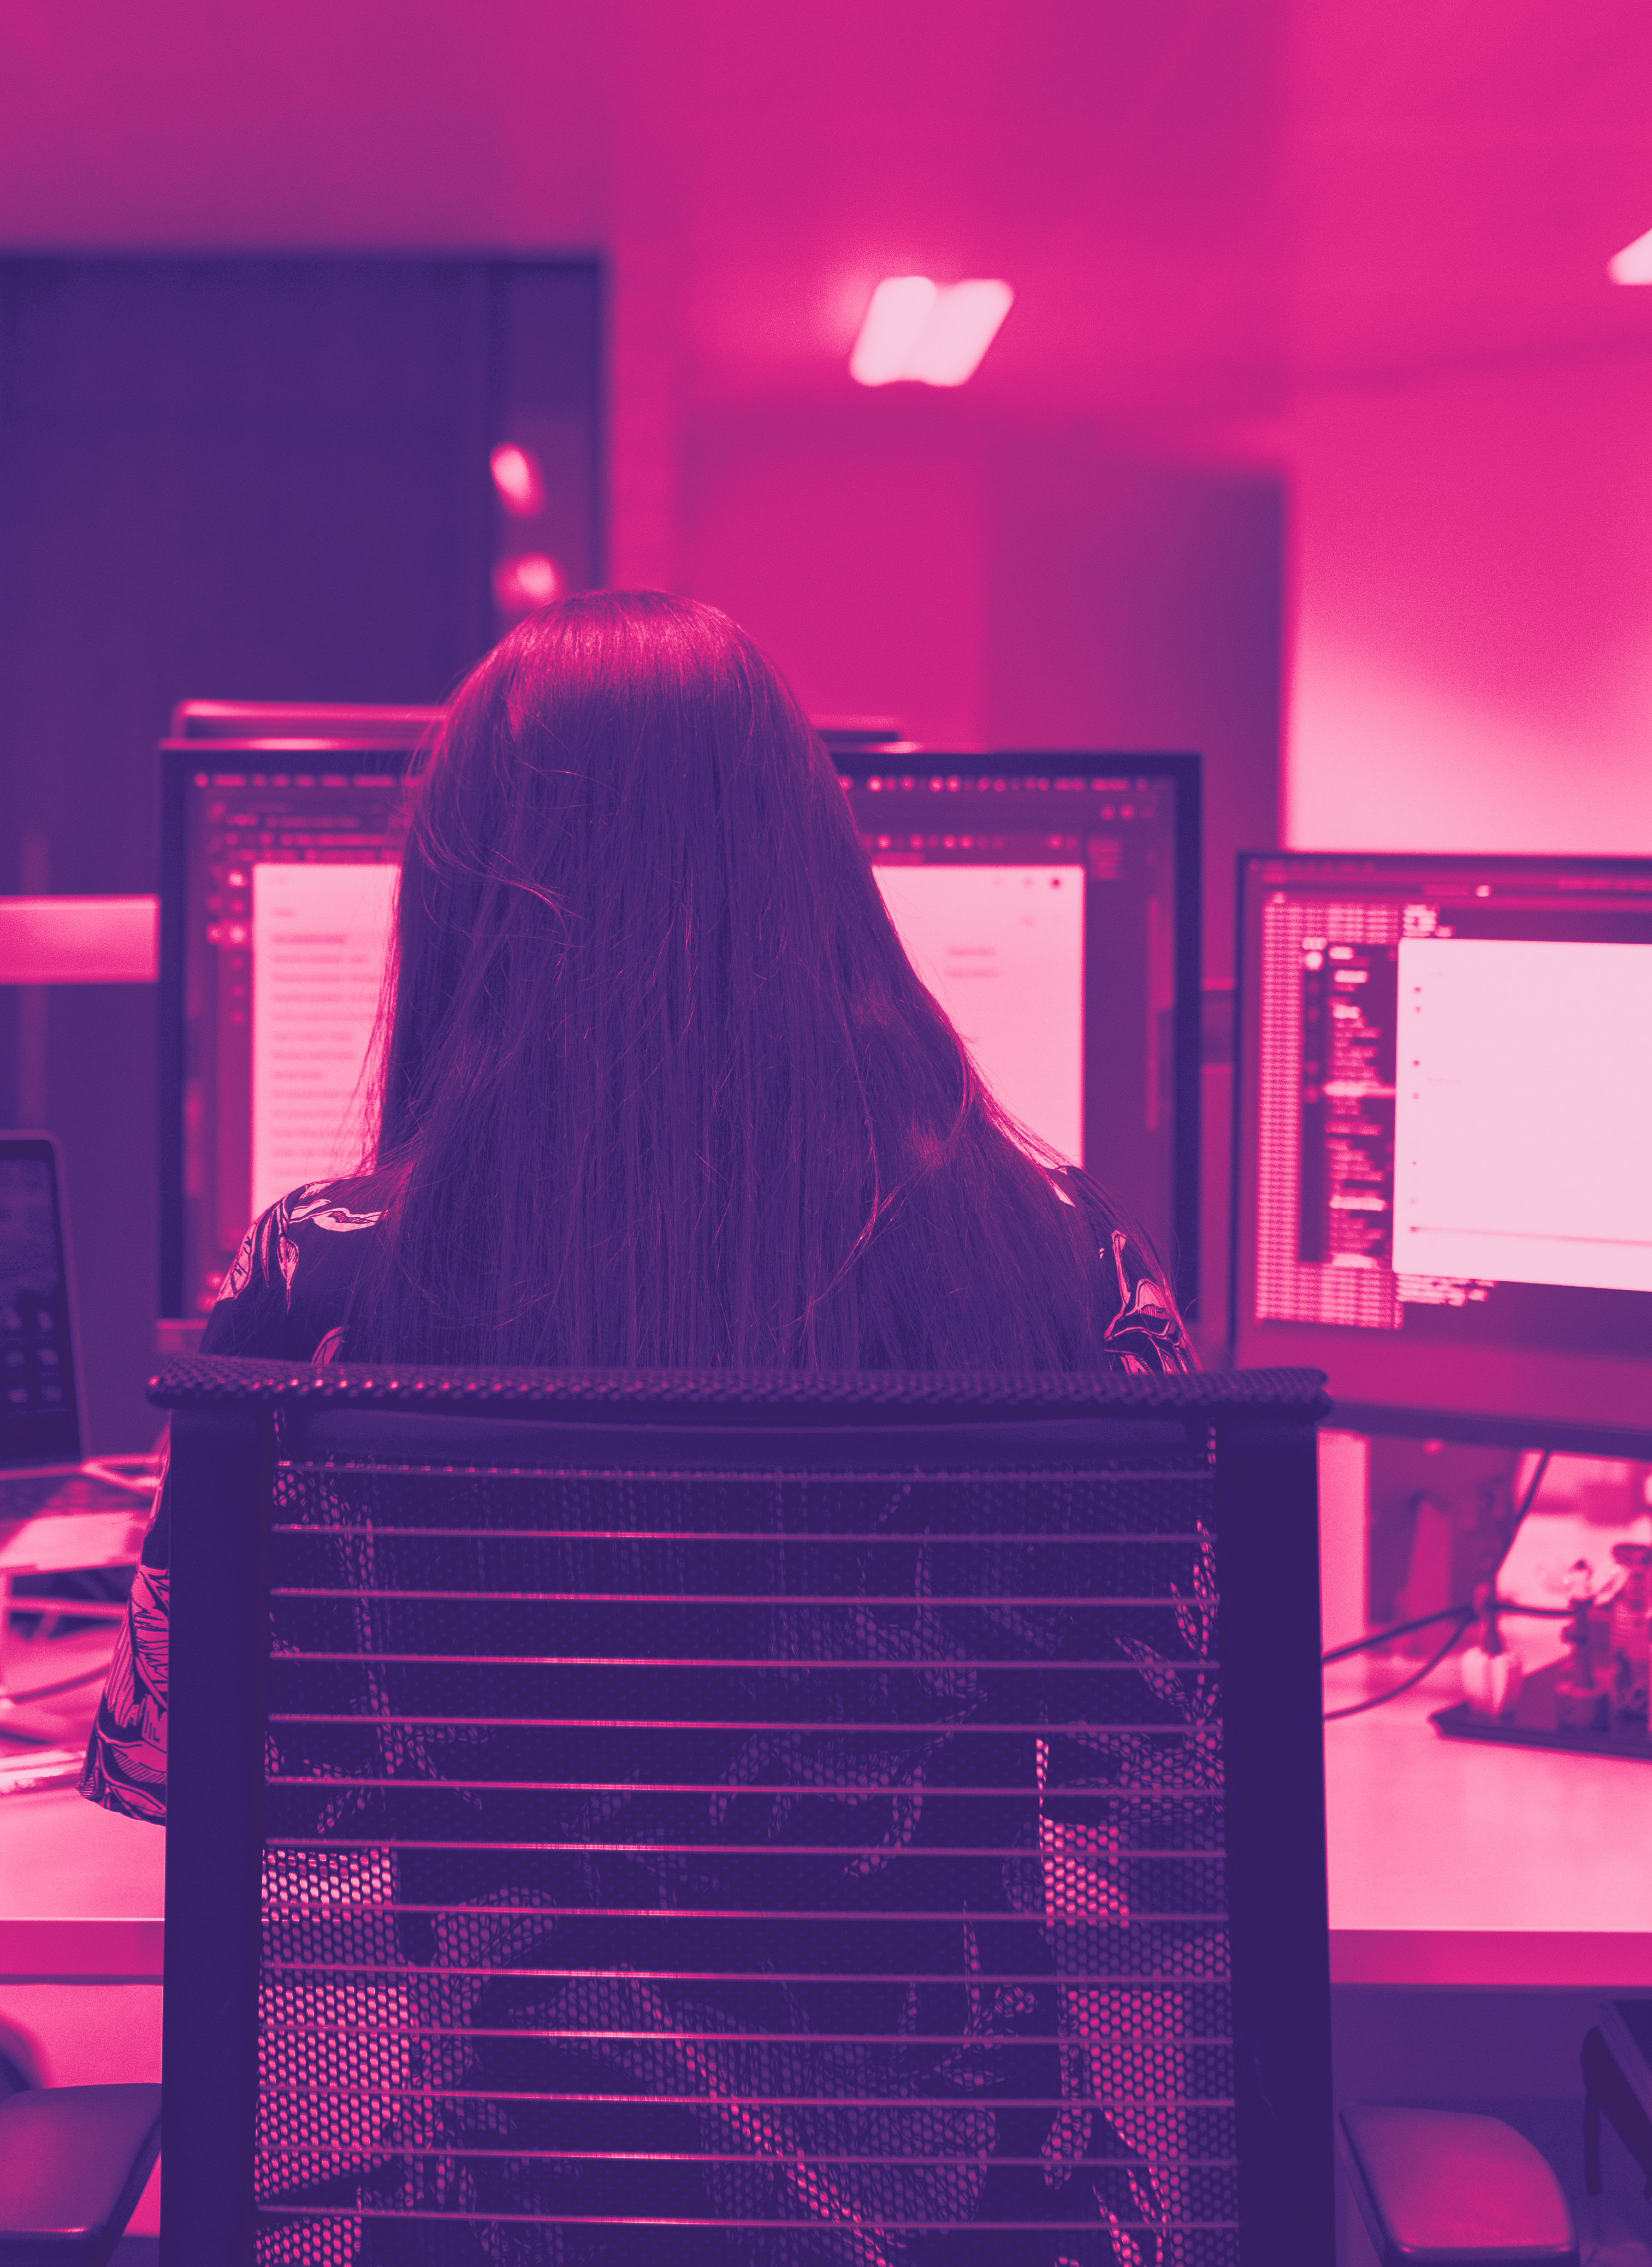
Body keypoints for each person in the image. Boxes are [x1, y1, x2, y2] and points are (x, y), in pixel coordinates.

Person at [80, 588, 1189, 1825]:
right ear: (823, 875)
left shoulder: (318, 1275)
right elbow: (1176, 1796)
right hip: (947, 2014)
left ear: (458, 907)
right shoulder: (1073, 1256)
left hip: (521, 2022)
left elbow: (173, 1764)